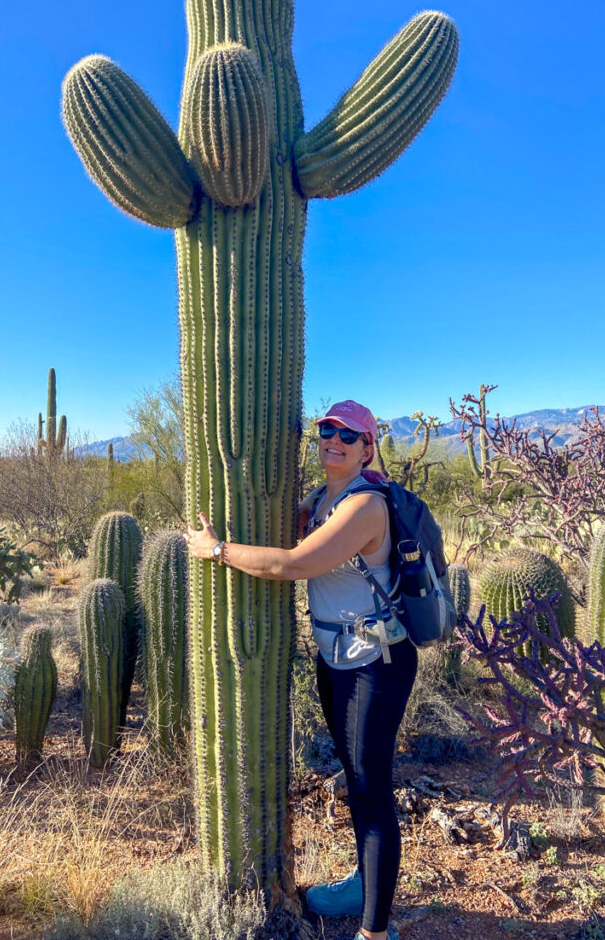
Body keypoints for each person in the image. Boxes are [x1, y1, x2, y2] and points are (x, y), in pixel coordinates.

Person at [185, 399, 417, 940]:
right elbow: (282, 530)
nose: (333, 439)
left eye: (347, 433)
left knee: (370, 788)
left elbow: (294, 564)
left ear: (367, 446)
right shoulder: (322, 498)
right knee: (356, 779)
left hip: (375, 663)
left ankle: (375, 933)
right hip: (336, 657)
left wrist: (217, 548)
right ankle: (362, 885)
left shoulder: (365, 506)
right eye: (325, 430)